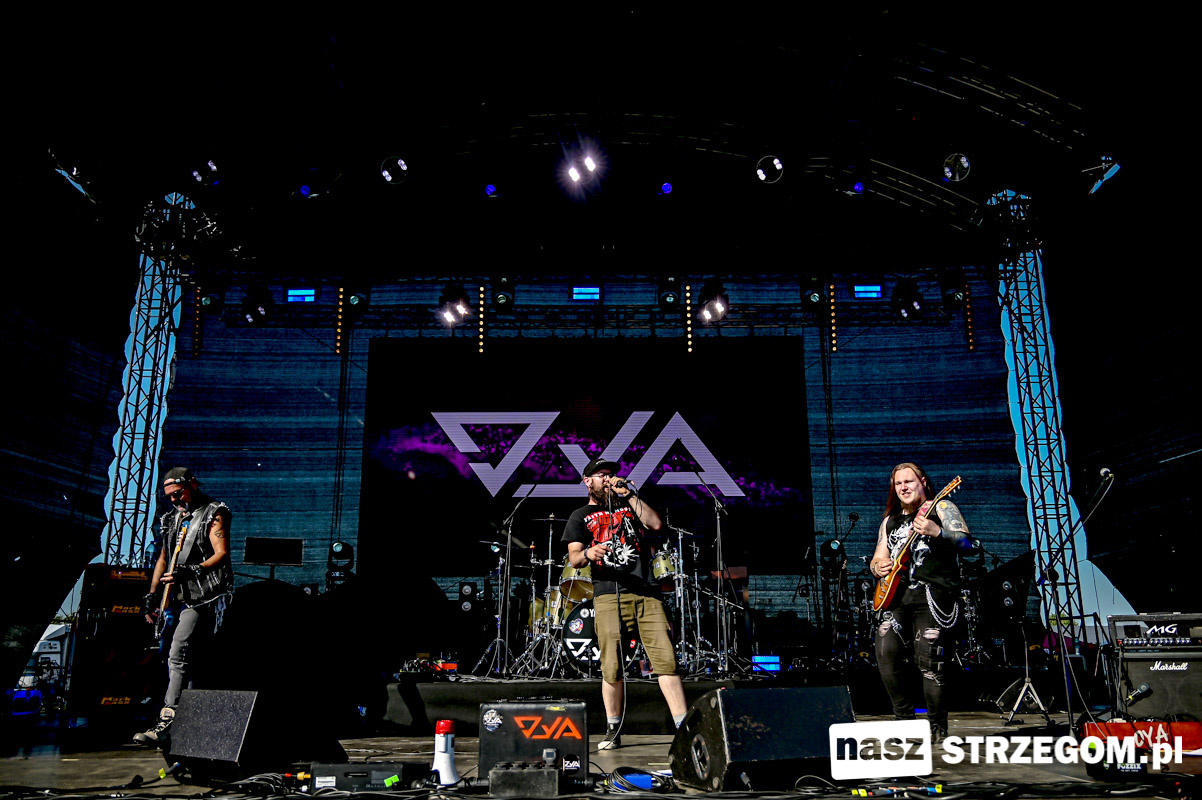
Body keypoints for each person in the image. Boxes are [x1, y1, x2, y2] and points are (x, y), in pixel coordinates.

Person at [562, 457, 688, 750]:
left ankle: (684, 729)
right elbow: (574, 557)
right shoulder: (579, 516)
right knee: (611, 665)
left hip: (646, 592)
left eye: (610, 474)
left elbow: (654, 523)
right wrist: (590, 552)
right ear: (588, 481)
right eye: (601, 475)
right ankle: (613, 730)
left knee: (666, 661)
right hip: (609, 594)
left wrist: (629, 494)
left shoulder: (629, 504)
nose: (607, 479)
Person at [869, 462, 972, 741]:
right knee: (886, 654)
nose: (903, 487)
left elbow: (967, 544)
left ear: (923, 482)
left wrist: (937, 532)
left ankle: (937, 728)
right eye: (898, 483)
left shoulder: (941, 507)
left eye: (909, 481)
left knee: (930, 662)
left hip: (932, 597)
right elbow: (879, 556)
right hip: (896, 599)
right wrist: (877, 567)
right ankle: (905, 724)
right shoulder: (890, 521)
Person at [134, 467, 234, 747]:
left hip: (206, 596)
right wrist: (152, 594)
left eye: (178, 494)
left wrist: (192, 570)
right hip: (177, 597)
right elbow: (163, 558)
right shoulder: (170, 519)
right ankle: (189, 722)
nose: (174, 500)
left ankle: (168, 719)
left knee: (179, 652)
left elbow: (222, 553)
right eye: (169, 496)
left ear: (192, 484)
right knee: (177, 656)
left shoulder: (214, 512)